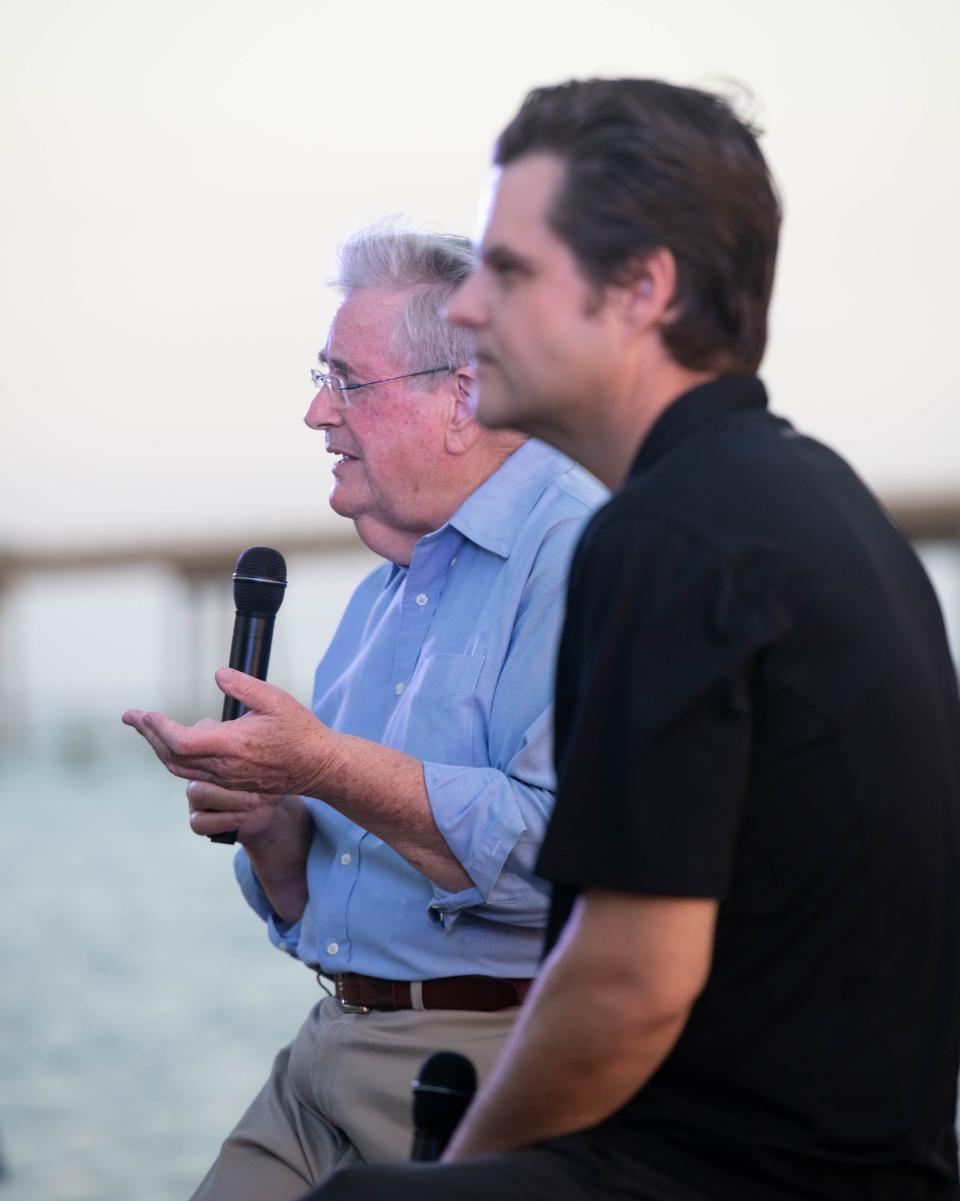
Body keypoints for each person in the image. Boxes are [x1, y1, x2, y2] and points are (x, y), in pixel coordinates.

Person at [306, 79, 960, 1201]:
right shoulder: (811, 497)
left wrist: (457, 1178)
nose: (469, 311)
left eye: (509, 272)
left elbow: (627, 985)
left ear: (641, 289)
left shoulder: (662, 537)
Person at [121, 226, 606, 1201]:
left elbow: (572, 858)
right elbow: (321, 901)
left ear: (461, 397)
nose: (314, 412)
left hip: (475, 1070)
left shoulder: (583, 554)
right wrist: (275, 828)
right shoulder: (390, 584)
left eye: (345, 380)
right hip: (323, 1053)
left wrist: (320, 765)